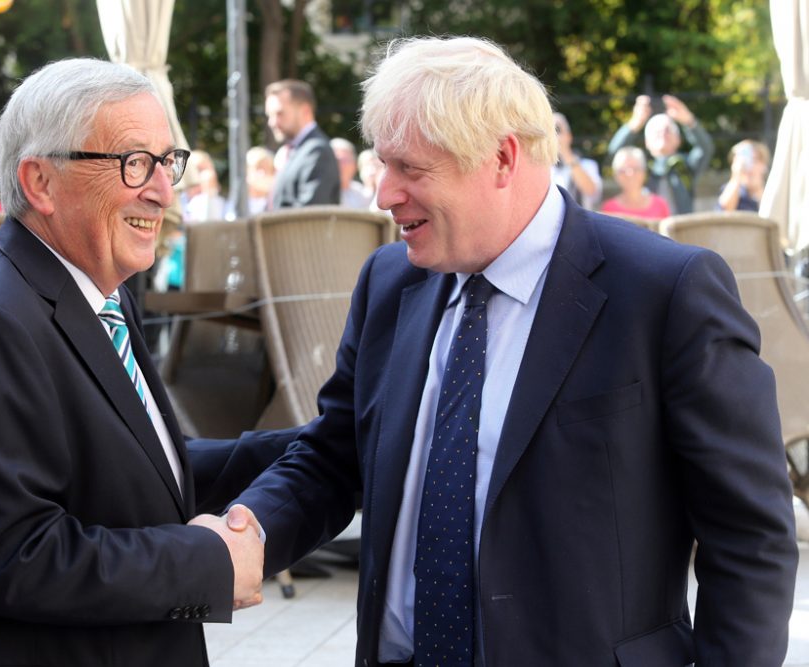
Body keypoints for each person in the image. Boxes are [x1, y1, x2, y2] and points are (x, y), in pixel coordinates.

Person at [231, 36, 797, 666]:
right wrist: (246, 531)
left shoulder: (663, 292)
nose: (383, 195)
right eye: (380, 166)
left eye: (410, 169)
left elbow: (750, 538)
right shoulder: (389, 282)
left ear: (501, 158)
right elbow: (339, 456)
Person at [0, 58, 294, 667]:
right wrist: (206, 564)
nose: (163, 190)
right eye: (134, 162)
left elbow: (127, 467)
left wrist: (300, 452)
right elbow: (15, 559)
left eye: (168, 162)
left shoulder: (97, 289)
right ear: (41, 183)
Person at [607, 94, 713, 214]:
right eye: (656, 132)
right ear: (646, 142)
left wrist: (689, 121)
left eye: (668, 130)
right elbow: (615, 155)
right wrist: (635, 123)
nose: (663, 134)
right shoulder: (641, 168)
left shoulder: (684, 167)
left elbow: (705, 149)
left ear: (678, 140)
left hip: (681, 229)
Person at [264, 79, 341, 209]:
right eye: (269, 115)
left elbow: (309, 216)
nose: (272, 122)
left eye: (279, 113)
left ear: (305, 111)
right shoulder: (295, 151)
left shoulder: (317, 151)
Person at [601, 146, 672, 220]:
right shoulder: (609, 209)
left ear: (644, 172)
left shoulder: (660, 205)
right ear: (616, 175)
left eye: (635, 169)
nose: (630, 174)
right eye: (623, 170)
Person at [551, 111, 602, 210]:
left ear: (569, 136)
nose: (553, 136)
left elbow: (591, 191)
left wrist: (566, 153)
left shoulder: (588, 165)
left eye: (557, 129)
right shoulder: (542, 169)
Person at [717, 139, 771, 212]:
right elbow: (725, 210)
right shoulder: (731, 189)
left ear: (763, 165)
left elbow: (770, 213)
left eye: (754, 160)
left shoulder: (770, 191)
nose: (749, 167)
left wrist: (758, 188)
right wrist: (736, 176)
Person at [182, 150, 228, 222]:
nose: (208, 175)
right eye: (200, 170)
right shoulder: (179, 204)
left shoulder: (224, 204)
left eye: (210, 169)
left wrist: (210, 193)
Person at [331, 137, 372, 209]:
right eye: (338, 161)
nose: (342, 166)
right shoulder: (322, 193)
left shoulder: (363, 194)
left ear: (355, 165)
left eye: (346, 161)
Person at [246, 145, 276, 215]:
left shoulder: (276, 202)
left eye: (267, 168)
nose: (263, 173)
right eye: (259, 167)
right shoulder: (238, 204)